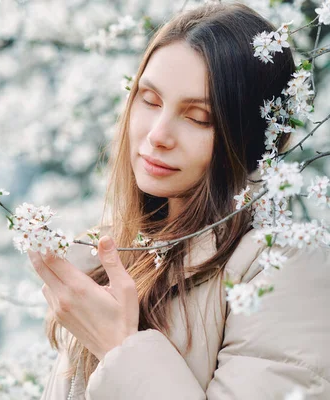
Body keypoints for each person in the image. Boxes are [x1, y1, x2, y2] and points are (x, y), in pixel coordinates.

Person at [28, 2, 330, 399]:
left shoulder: (285, 267)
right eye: (150, 100)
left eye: (198, 117)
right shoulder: (119, 251)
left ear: (255, 138)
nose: (158, 134)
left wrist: (120, 348)